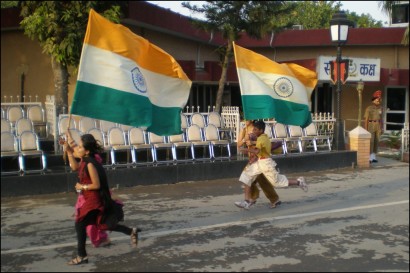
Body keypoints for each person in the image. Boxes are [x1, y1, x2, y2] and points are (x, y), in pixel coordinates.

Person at [64, 132, 141, 265]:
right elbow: (74, 166)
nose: (78, 149)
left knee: (80, 223)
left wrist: (82, 186)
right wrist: (69, 151)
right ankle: (130, 231)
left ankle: (82, 255)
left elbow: (96, 184)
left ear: (87, 150)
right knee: (101, 224)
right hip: (89, 198)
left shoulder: (90, 164)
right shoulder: (86, 160)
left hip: (94, 199)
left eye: (81, 147)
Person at [235, 120, 308, 210]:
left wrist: (244, 150)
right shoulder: (257, 136)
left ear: (261, 130)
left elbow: (257, 151)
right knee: (246, 176)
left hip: (265, 163)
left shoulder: (262, 138)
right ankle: (247, 201)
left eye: (255, 130)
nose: (253, 131)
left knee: (276, 182)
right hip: (258, 162)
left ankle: (299, 182)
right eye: (253, 129)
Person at [237, 120, 280, 208]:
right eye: (244, 119)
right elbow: (239, 144)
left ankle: (252, 199)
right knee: (252, 179)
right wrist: (245, 139)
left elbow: (263, 144)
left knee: (258, 179)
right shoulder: (244, 130)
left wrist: (252, 143)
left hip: (259, 157)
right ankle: (253, 198)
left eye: (247, 119)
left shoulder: (258, 129)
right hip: (252, 157)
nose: (245, 121)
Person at [364, 90, 383, 163]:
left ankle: (373, 156)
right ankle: (369, 158)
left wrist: (381, 127)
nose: (379, 101)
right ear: (373, 100)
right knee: (371, 141)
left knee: (376, 141)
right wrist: (366, 129)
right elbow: (366, 119)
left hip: (377, 125)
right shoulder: (369, 108)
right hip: (371, 125)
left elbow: (381, 119)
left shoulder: (380, 108)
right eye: (377, 99)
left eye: (379, 99)